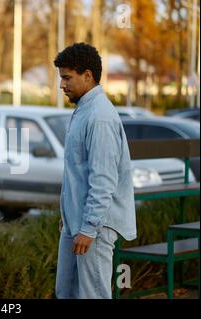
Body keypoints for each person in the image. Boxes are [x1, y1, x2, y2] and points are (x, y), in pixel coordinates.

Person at [53, 43, 137, 299]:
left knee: (92, 295)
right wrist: (69, 215)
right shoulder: (85, 110)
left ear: (87, 75)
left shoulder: (99, 116)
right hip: (75, 222)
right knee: (66, 292)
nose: (62, 85)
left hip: (95, 227)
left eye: (67, 78)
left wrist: (89, 228)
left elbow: (103, 180)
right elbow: (79, 173)